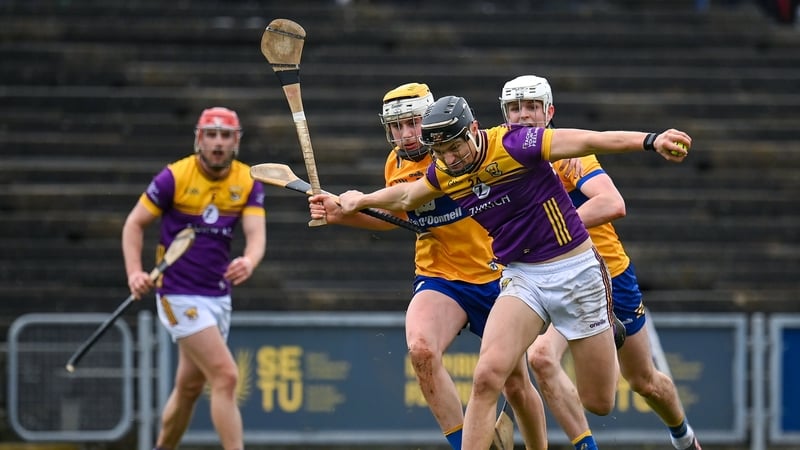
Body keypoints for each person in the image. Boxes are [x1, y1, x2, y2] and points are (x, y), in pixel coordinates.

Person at [335, 94, 691, 449]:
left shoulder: (514, 143)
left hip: (576, 272)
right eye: (440, 152)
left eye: (456, 148)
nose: (450, 159)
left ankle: (603, 324)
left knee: (598, 402)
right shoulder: (444, 170)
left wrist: (651, 140)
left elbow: (589, 140)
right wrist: (358, 200)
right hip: (523, 277)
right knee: (487, 377)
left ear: (473, 130)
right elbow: (406, 197)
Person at [308, 82, 547, 450]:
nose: (405, 136)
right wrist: (339, 215)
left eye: (413, 124)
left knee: (515, 384)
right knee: (421, 350)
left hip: (494, 276)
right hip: (439, 276)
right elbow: (395, 214)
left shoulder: (459, 152)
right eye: (396, 127)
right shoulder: (396, 164)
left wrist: (355, 203)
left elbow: (405, 197)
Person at [499, 75, 701, 450]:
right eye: (515, 108)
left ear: (549, 112)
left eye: (532, 107)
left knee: (643, 381)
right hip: (546, 277)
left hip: (606, 273)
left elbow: (612, 203)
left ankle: (685, 438)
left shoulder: (568, 154)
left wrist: (548, 228)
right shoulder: (502, 158)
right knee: (541, 357)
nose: (524, 116)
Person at [122, 106, 266, 450]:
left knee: (188, 388)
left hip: (217, 295)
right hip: (177, 293)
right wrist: (134, 273)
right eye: (211, 135)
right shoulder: (173, 177)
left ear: (237, 141)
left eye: (225, 135)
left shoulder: (247, 180)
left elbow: (256, 233)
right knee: (226, 376)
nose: (218, 143)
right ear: (199, 139)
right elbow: (133, 225)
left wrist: (249, 259)